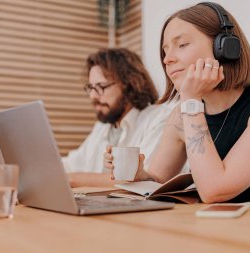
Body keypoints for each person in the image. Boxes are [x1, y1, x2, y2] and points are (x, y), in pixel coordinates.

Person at [105, 2, 250, 207]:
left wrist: (191, 99)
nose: (167, 59)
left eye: (182, 45)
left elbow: (215, 192)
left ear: (224, 47)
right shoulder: (182, 114)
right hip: (203, 230)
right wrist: (139, 175)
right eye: (165, 51)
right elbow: (159, 183)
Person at [62, 48, 171, 187]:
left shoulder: (159, 119)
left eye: (101, 86)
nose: (93, 96)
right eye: (91, 87)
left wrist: (71, 179)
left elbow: (143, 180)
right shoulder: (102, 127)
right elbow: (71, 165)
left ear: (129, 83)